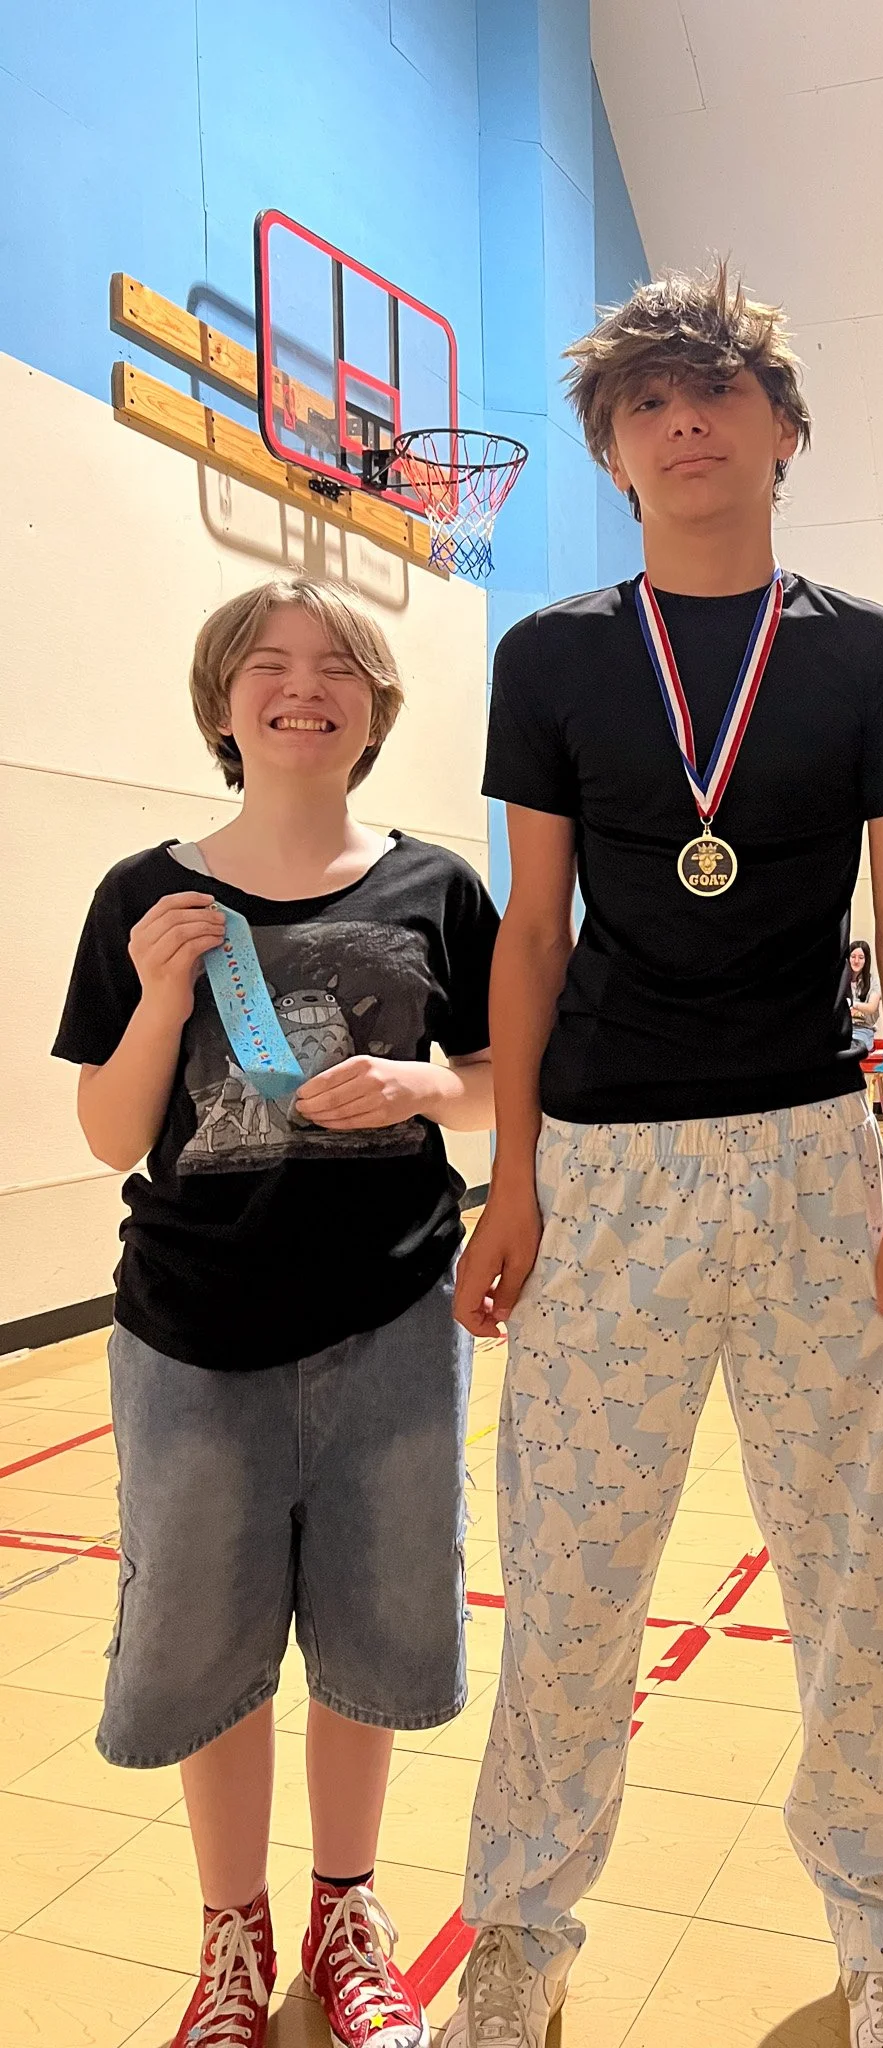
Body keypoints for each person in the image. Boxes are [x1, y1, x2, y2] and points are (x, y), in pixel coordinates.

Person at [446, 264, 883, 2048]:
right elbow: (532, 934)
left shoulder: (876, 656)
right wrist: (512, 1181)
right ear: (612, 452)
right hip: (606, 1169)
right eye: (648, 404)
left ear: (783, 429)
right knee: (572, 1580)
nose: (684, 422)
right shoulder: (553, 657)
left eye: (718, 392)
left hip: (817, 1159)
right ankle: (522, 1929)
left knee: (856, 1580)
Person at [52, 578, 500, 2048]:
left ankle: (346, 1915)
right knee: (209, 1641)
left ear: (374, 707)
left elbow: (503, 1078)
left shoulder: (437, 887)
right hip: (191, 1331)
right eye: (268, 664)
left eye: (337, 667)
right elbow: (111, 1131)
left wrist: (427, 1083)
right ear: (222, 701)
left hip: (392, 1321)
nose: (303, 686)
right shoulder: (145, 893)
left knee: (372, 1633)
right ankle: (232, 1936)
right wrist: (158, 999)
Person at [849, 935, 882, 1056]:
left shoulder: (873, 982)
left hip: (863, 1030)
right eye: (853, 957)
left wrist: (852, 1005)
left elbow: (872, 1007)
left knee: (852, 1046)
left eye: (861, 957)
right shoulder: (841, 980)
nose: (856, 961)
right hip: (842, 1028)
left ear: (866, 960)